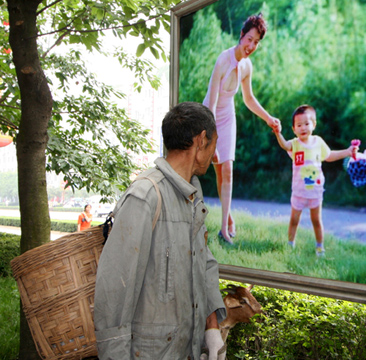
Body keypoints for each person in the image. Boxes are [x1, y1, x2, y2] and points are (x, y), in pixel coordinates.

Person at [94, 102, 227, 359]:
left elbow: (204, 263)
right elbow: (114, 296)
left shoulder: (193, 195)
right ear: (201, 141)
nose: (215, 153)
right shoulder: (145, 197)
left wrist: (211, 329)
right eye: (214, 143)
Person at [203, 13, 280, 244]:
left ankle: (224, 231)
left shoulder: (247, 66)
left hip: (229, 117)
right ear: (241, 35)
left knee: (227, 169)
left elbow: (248, 99)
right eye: (249, 39)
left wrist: (268, 118)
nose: (251, 46)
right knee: (219, 171)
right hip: (210, 116)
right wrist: (211, 137)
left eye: (256, 42)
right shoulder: (223, 60)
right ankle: (229, 220)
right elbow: (212, 102)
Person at [273, 105, 358, 256]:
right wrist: (278, 133)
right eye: (299, 125)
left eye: (307, 123)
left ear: (314, 124)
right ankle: (290, 244)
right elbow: (284, 145)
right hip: (299, 192)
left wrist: (347, 152)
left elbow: (329, 155)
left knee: (316, 221)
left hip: (316, 192)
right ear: (294, 129)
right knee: (294, 220)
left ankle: (320, 247)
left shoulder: (318, 142)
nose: (303, 128)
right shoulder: (294, 144)